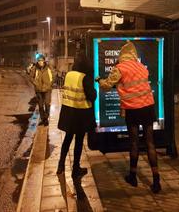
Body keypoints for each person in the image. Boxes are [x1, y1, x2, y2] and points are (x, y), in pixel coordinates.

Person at [96, 41, 161, 193]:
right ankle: (156, 180)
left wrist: (99, 80)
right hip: (148, 107)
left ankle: (132, 176)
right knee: (150, 143)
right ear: (133, 54)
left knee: (134, 143)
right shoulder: (140, 66)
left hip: (133, 109)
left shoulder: (120, 68)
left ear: (122, 55)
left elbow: (106, 85)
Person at [56, 53, 96, 178]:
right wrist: (95, 91)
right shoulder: (85, 77)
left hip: (68, 112)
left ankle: (61, 165)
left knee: (67, 139)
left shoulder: (69, 74)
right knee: (78, 142)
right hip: (80, 114)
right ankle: (75, 169)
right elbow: (92, 96)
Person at [28, 54, 54, 126]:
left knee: (47, 104)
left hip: (47, 89)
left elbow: (53, 75)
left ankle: (46, 118)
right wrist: (35, 83)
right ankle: (43, 119)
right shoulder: (35, 68)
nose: (40, 62)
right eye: (39, 61)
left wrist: (50, 84)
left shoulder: (49, 67)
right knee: (40, 105)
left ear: (44, 61)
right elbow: (31, 77)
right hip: (39, 90)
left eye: (41, 60)